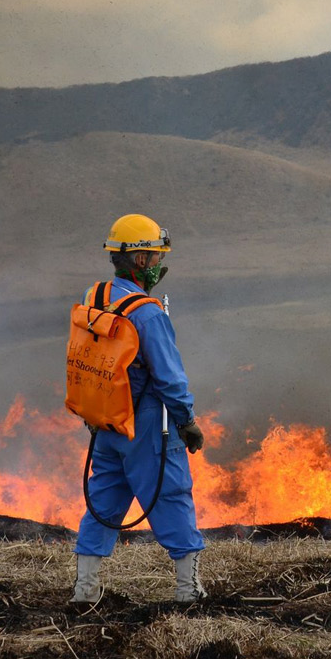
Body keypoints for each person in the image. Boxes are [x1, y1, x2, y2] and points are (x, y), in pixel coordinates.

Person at [71, 213, 208, 604]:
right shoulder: (147, 313)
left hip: (104, 422)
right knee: (171, 496)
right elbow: (169, 379)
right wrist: (187, 423)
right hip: (145, 425)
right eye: (155, 256)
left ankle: (84, 590)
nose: (159, 265)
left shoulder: (92, 299)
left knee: (104, 502)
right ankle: (188, 590)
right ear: (142, 260)